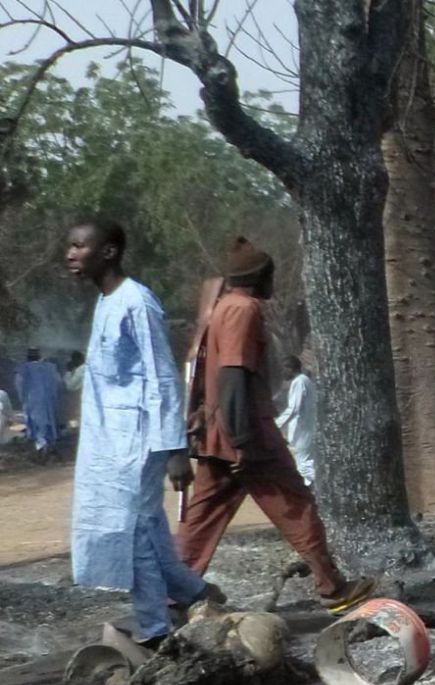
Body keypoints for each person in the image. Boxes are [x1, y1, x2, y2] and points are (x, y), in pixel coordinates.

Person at [178, 238, 372, 612]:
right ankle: (332, 587)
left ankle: (175, 593)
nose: (274, 283)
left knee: (200, 519)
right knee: (297, 506)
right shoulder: (243, 310)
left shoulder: (221, 307)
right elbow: (233, 375)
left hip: (218, 435)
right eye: (271, 275)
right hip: (247, 435)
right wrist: (244, 441)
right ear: (258, 278)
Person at [65, 219, 222, 647]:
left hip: (140, 441)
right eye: (70, 247)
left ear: (109, 251)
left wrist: (174, 448)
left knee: (134, 535)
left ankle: (154, 629)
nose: (71, 254)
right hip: (110, 445)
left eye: (80, 246)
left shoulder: (137, 302)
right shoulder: (106, 302)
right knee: (147, 530)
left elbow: (163, 376)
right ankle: (197, 593)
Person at [275, 354, 318, 485]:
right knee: (306, 464)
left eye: (283, 369)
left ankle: (330, 482)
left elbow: (294, 408)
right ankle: (313, 498)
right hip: (307, 428)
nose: (282, 373)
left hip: (303, 430)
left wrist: (276, 425)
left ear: (290, 368)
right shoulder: (304, 381)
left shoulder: (299, 381)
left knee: (303, 467)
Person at [15, 346, 64, 452]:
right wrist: (55, 396)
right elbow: (59, 382)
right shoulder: (51, 367)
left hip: (32, 399)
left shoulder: (23, 369)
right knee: (49, 420)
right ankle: (49, 443)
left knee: (36, 422)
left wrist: (22, 398)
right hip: (49, 399)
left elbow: (19, 384)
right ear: (39, 356)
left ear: (28, 356)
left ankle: (41, 445)